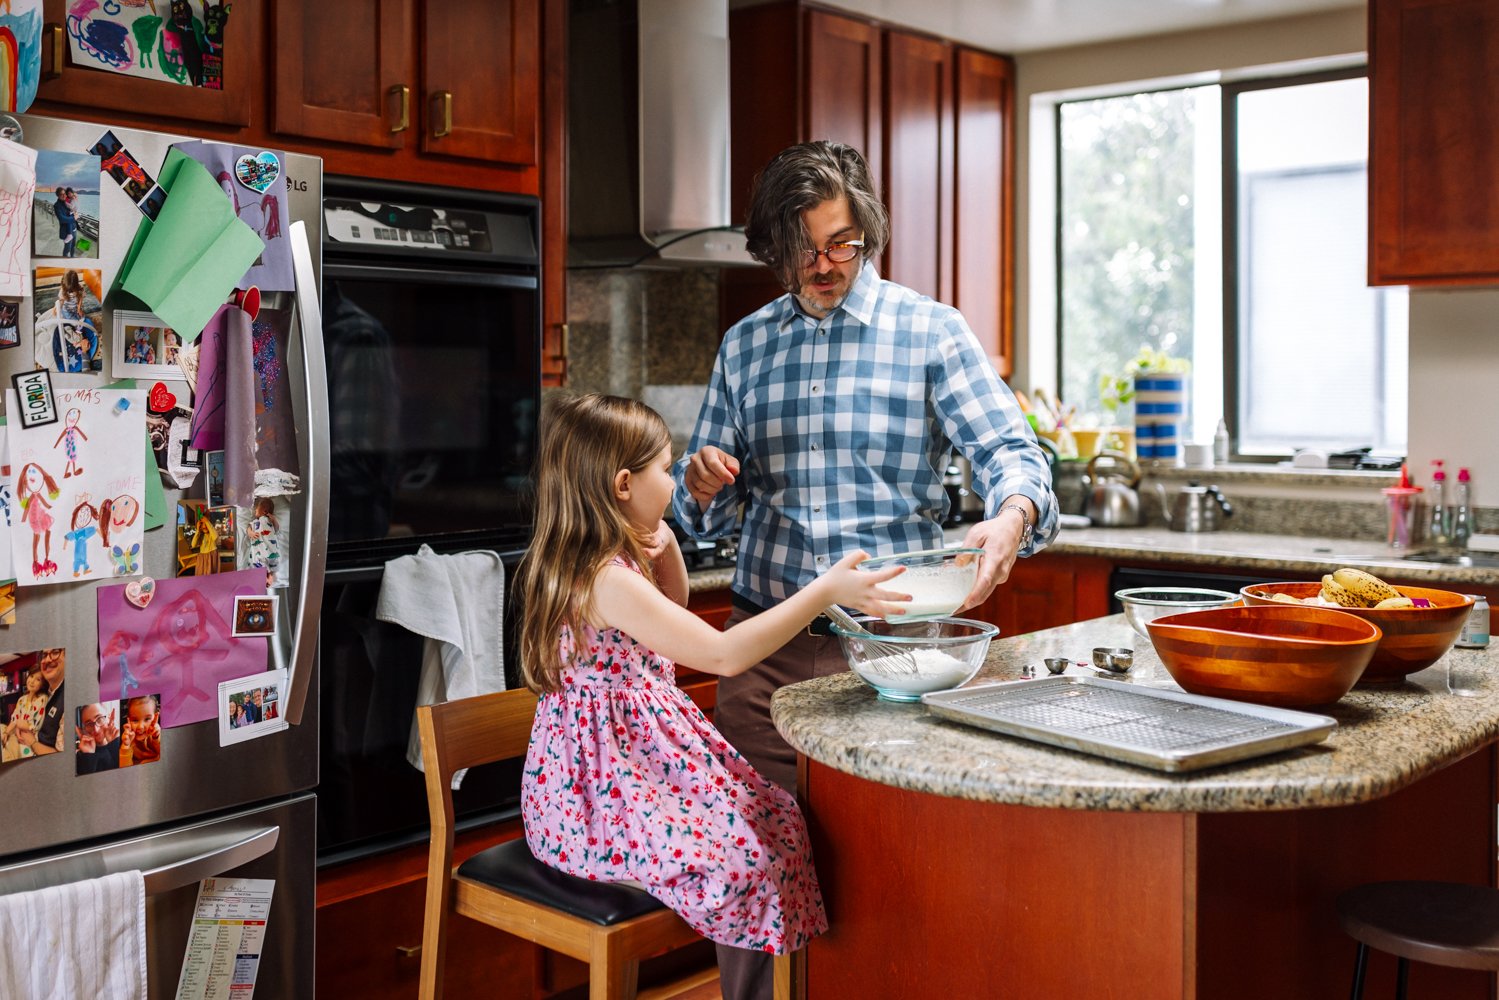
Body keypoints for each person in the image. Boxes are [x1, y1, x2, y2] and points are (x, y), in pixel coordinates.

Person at [672, 141, 1058, 796]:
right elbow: (699, 511)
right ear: (773, 249)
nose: (823, 266)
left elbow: (1009, 451)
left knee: (883, 854)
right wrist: (698, 482)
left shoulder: (930, 331)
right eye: (802, 249)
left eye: (841, 243)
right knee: (760, 854)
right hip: (765, 651)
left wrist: (1012, 515)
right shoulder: (744, 346)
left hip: (896, 654)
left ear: (867, 233)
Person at [516, 393, 907, 1000]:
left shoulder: (609, 557)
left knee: (776, 820)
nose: (674, 482)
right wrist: (824, 591)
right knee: (747, 860)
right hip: (593, 794)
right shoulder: (604, 579)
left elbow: (671, 614)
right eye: (665, 470)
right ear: (624, 483)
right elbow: (722, 653)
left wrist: (666, 542)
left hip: (632, 763)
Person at [2, 669, 48, 761]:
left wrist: (20, 726)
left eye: (38, 679)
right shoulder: (21, 699)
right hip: (16, 735)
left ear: (42, 684)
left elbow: (37, 725)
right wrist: (6, 733)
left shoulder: (43, 699)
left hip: (29, 739)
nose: (32, 681)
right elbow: (15, 719)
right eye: (31, 676)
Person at [76, 702, 121, 773]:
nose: (96, 729)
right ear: (84, 728)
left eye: (99, 719)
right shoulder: (81, 756)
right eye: (89, 724)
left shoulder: (122, 744)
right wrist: (88, 755)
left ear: (109, 717)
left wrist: (115, 744)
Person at [121, 694, 161, 766]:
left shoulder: (156, 733)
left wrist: (156, 737)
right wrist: (126, 746)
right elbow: (124, 766)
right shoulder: (129, 738)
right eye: (135, 720)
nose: (140, 727)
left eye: (147, 719)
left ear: (155, 717)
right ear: (128, 720)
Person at [53, 187, 76, 258]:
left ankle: (73, 258)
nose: (64, 195)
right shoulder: (57, 205)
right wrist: (74, 218)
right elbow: (62, 219)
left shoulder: (67, 201)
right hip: (67, 232)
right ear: (58, 196)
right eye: (61, 194)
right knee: (67, 250)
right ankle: (64, 261)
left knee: (73, 247)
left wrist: (74, 213)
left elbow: (73, 206)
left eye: (64, 194)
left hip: (74, 228)